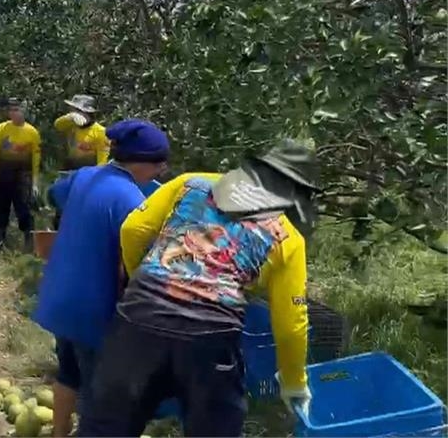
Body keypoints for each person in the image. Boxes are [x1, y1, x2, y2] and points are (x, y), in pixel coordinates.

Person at [78, 139, 318, 437]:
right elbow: (291, 325)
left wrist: (142, 278)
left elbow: (132, 230)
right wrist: (294, 383)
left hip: (139, 321)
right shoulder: (288, 238)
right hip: (210, 340)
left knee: (106, 426)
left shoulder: (190, 184)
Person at [33, 119, 170, 437]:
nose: (160, 171)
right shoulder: (133, 202)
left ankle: (59, 431)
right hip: (93, 309)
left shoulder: (85, 177)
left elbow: (55, 194)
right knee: (100, 396)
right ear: (143, 162)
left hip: (60, 295)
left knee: (68, 371)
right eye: (159, 164)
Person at [0, 98, 42, 251]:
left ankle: (30, 247)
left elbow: (36, 160)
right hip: (3, 175)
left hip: (23, 177)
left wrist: (35, 183)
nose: (12, 113)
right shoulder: (2, 128)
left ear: (23, 111)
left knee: (24, 211)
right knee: (1, 211)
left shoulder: (32, 133)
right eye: (10, 110)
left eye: (16, 110)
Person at [51, 94, 110, 229]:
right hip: (67, 172)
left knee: (82, 211)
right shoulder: (71, 126)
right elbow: (58, 125)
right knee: (61, 209)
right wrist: (70, 117)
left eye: (76, 110)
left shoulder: (100, 132)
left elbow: (102, 160)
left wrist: (95, 179)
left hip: (87, 176)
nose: (74, 113)